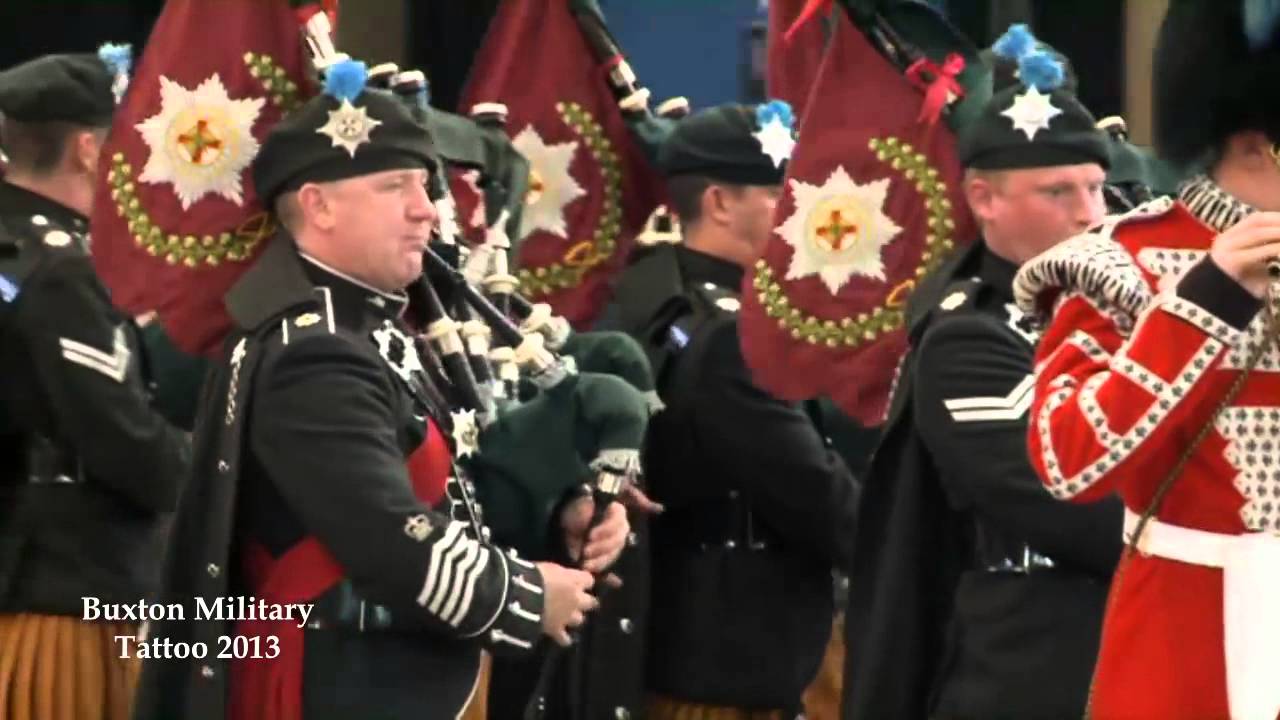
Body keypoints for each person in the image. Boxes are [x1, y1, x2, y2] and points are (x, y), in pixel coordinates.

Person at [130, 60, 626, 720]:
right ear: (319, 204)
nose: (428, 208)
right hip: (340, 686)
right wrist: (526, 598)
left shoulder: (378, 330)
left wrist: (557, 510)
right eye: (396, 185)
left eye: (425, 184)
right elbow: (385, 533)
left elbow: (455, 498)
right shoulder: (314, 351)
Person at [841, 42, 1124, 720]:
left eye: (1094, 186)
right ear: (983, 199)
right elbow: (1064, 500)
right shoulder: (968, 340)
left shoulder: (1133, 317)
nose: (1090, 212)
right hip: (1027, 669)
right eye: (1058, 191)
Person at [1013, 3, 1280, 717]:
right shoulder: (1122, 260)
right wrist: (1206, 300)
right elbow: (1069, 460)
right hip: (1192, 639)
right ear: (1260, 138)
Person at [606, 101, 860, 720]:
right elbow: (810, 492)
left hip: (693, 642)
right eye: (780, 194)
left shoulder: (654, 295)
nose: (801, 214)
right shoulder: (731, 336)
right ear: (718, 202)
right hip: (730, 666)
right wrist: (914, 543)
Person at [0, 50, 192, 720]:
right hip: (62, 600)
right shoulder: (57, 272)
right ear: (87, 149)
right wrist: (220, 466)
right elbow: (122, 443)